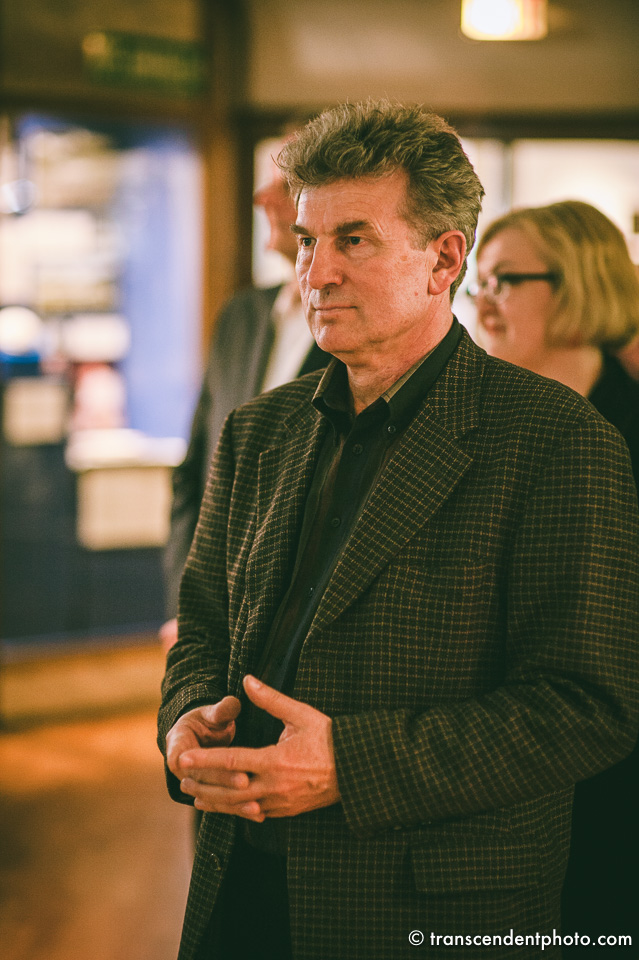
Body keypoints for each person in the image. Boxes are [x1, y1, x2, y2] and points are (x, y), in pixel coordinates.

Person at [157, 101, 639, 960]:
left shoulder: (557, 439)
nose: (316, 273)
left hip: (425, 903)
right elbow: (202, 625)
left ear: (443, 259)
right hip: (240, 882)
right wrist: (188, 714)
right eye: (308, 241)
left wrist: (351, 763)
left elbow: (587, 707)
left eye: (354, 240)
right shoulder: (258, 430)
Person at [471, 199, 639, 954]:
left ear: (577, 285)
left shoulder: (627, 431)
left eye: (504, 280)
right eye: (477, 282)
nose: (482, 303)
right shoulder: (478, 427)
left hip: (612, 782)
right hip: (492, 773)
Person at [160, 150, 329, 651]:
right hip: (213, 621)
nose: (261, 198)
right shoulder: (241, 316)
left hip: (305, 632)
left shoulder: (364, 334)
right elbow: (195, 473)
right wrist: (184, 606)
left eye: (284, 185)